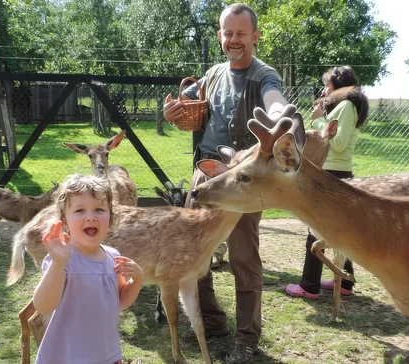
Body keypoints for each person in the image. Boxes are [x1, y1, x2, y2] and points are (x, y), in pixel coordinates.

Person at [163, 4, 288, 363]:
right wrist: (171, 111)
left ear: (255, 36)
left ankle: (247, 338)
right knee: (193, 251)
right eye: (227, 33)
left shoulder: (265, 74)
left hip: (241, 181)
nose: (234, 40)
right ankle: (212, 321)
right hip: (205, 173)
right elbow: (184, 102)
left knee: (243, 258)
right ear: (220, 35)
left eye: (241, 34)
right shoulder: (213, 73)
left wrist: (278, 116)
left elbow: (274, 99)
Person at [32, 174, 144, 364]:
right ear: (64, 221)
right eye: (80, 210)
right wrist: (58, 264)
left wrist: (138, 279)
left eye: (99, 209)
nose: (91, 217)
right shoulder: (62, 260)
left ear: (110, 216)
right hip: (67, 358)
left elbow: (121, 302)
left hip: (107, 357)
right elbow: (43, 306)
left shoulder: (112, 256)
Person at [285, 65, 368, 300]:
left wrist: (320, 121)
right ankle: (344, 282)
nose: (325, 90)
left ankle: (309, 285)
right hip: (336, 171)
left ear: (340, 86)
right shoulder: (346, 106)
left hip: (332, 172)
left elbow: (338, 143)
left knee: (315, 229)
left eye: (327, 85)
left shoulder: (346, 106)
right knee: (340, 229)